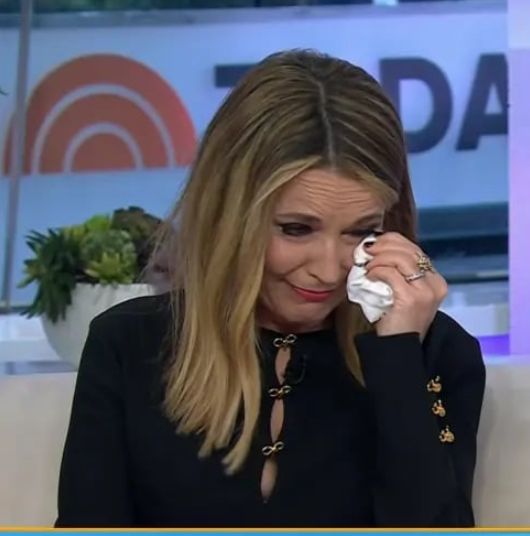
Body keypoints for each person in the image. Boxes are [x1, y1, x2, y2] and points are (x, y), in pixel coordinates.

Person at [56, 49, 485, 528]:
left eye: (361, 232)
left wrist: (400, 359)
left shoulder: (435, 352)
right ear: (229, 214)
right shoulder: (127, 344)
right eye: (296, 229)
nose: (329, 270)